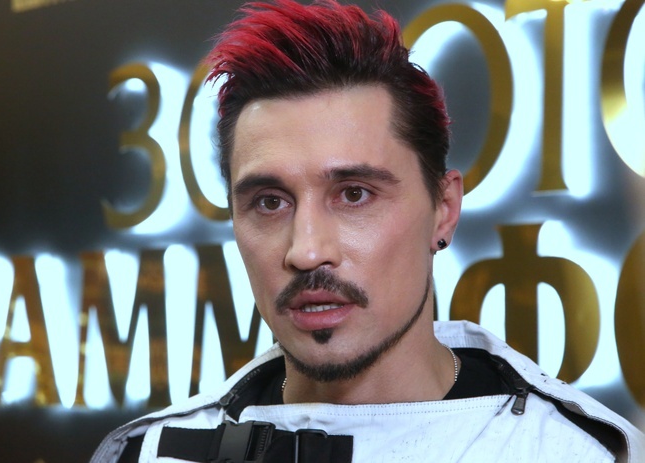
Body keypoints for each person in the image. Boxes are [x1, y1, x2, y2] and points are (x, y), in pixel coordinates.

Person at [91, 1, 645, 461]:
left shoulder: (571, 452)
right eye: (269, 202)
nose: (307, 250)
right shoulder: (150, 452)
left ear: (444, 209)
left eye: (354, 194)